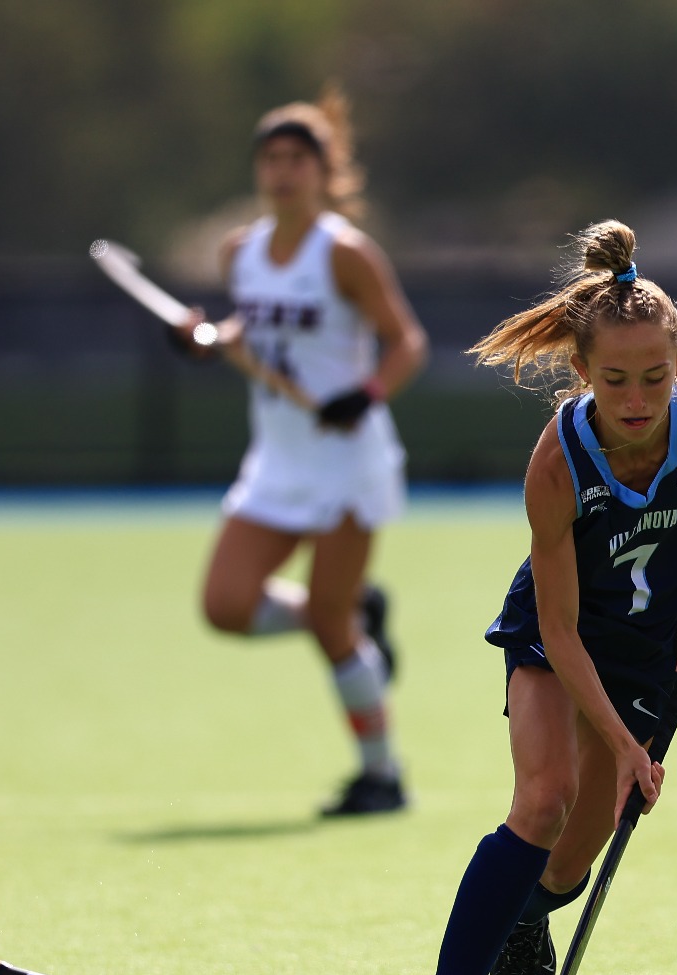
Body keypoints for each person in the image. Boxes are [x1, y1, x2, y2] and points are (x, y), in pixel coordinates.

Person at [406, 221, 677, 975]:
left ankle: (524, 916)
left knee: (574, 856)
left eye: (654, 376)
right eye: (614, 379)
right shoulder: (557, 465)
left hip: (651, 642)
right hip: (558, 633)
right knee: (545, 797)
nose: (636, 397)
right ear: (582, 374)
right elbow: (563, 632)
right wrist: (626, 743)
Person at [184, 86, 429, 817]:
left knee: (329, 627)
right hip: (278, 460)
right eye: (271, 159)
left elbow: (406, 342)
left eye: (297, 159)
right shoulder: (240, 251)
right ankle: (355, 612)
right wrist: (208, 340)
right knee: (225, 604)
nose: (282, 172)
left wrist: (368, 392)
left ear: (324, 172)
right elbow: (246, 331)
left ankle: (382, 774)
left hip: (348, 460)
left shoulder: (345, 254)